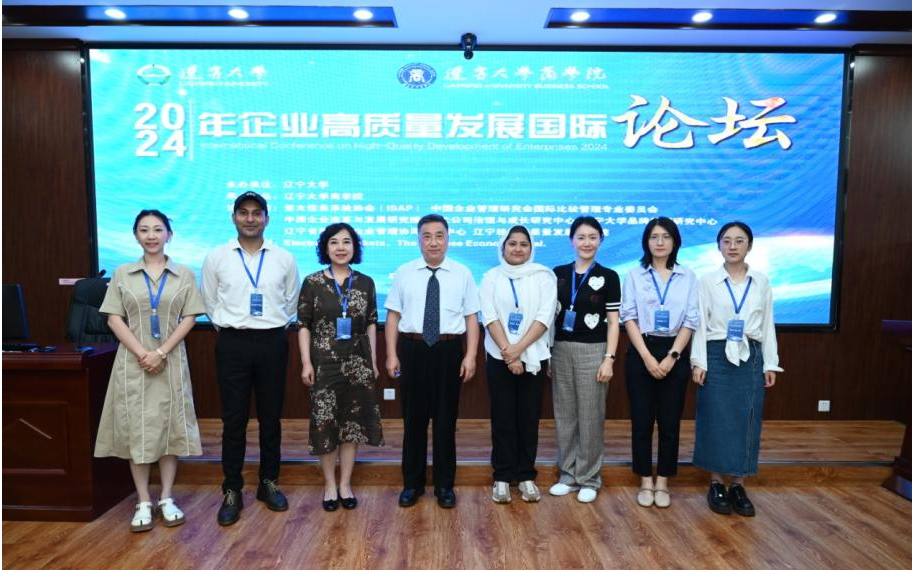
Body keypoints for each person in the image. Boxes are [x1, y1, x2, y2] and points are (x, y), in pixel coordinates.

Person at [94, 209, 205, 532]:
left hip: (170, 361)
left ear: (169, 234)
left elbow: (189, 317)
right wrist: (144, 353)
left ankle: (167, 497)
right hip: (133, 362)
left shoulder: (184, 274)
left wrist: (161, 352)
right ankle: (143, 500)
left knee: (170, 429)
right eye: (144, 230)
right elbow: (114, 318)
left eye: (158, 229)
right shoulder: (122, 273)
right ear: (136, 235)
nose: (151, 235)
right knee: (138, 429)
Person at [201, 191, 301, 526]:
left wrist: (270, 326)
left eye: (257, 213)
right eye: (243, 212)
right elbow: (210, 301)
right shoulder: (217, 257)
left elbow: (291, 301)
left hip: (272, 341)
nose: (250, 218)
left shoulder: (284, 258)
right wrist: (233, 328)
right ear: (234, 217)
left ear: (267, 219)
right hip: (232, 342)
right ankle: (232, 489)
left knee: (271, 418)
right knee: (234, 420)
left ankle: (268, 482)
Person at [385, 214, 480, 509]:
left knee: (445, 422)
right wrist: (391, 354)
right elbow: (393, 315)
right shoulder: (404, 272)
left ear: (448, 239)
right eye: (427, 236)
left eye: (439, 236)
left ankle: (444, 486)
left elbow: (471, 318)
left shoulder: (463, 273)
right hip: (412, 349)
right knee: (413, 421)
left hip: (448, 350)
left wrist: (471, 355)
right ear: (418, 240)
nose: (433, 242)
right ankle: (411, 484)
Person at [691, 221, 783, 517]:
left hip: (750, 355)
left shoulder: (761, 281)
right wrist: (699, 361)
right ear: (719, 246)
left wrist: (770, 362)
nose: (732, 246)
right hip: (716, 353)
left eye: (739, 240)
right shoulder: (707, 281)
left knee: (747, 419)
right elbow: (699, 324)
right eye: (727, 241)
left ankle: (739, 484)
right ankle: (717, 482)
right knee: (715, 417)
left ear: (749, 246)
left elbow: (767, 324)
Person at [298, 223, 384, 512]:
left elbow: (371, 323)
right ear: (325, 248)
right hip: (324, 362)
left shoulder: (366, 282)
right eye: (334, 242)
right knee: (326, 423)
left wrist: (372, 362)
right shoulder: (312, 282)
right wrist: (306, 362)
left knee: (352, 424)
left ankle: (345, 484)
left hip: (358, 361)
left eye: (346, 242)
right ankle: (329, 485)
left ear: (354, 247)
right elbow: (304, 325)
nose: (340, 247)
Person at [620, 217, 699, 509]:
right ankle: (645, 480)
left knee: (669, 422)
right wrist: (646, 357)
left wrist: (673, 356)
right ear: (646, 242)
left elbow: (690, 320)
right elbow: (629, 316)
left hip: (674, 350)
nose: (660, 242)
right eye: (654, 237)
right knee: (641, 421)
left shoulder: (688, 277)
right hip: (641, 349)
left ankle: (663, 480)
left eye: (666, 236)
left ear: (675, 241)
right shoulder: (634, 275)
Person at [479, 226, 557, 504]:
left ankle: (525, 475)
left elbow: (545, 316)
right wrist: (509, 354)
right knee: (502, 418)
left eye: (524, 244)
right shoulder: (491, 277)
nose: (518, 249)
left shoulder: (543, 276)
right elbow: (489, 316)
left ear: (531, 248)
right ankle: (501, 476)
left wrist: (519, 350)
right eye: (512, 243)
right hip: (499, 356)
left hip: (534, 356)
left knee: (528, 418)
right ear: (503, 247)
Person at [549, 216, 621, 503]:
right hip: (560, 349)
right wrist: (548, 355)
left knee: (591, 416)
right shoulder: (557, 274)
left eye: (592, 237)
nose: (586, 242)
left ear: (601, 240)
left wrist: (609, 358)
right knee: (565, 416)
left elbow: (613, 322)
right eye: (581, 237)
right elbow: (549, 318)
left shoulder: (610, 276)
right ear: (571, 241)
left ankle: (589, 479)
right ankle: (568, 476)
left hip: (594, 350)